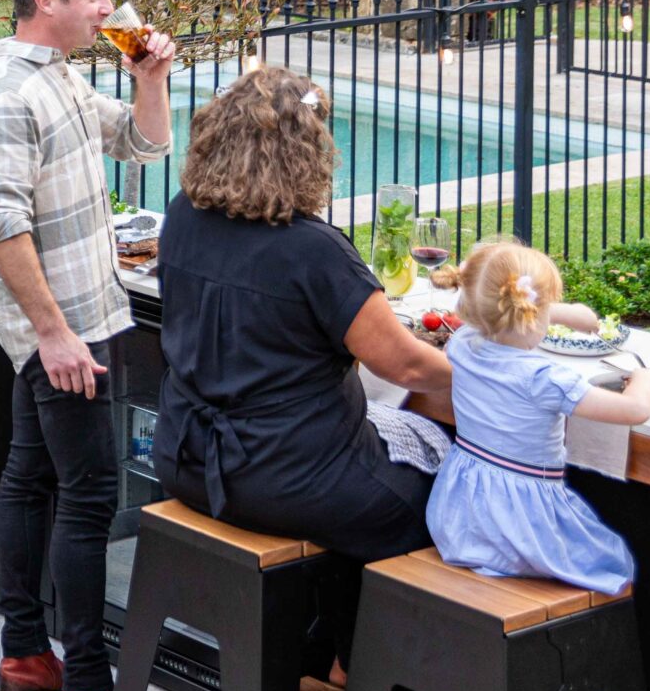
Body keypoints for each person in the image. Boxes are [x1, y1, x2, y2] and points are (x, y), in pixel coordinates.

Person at [0, 0, 186, 691]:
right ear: (46, 1)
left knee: (30, 474)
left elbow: (142, 143)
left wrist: (152, 78)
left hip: (84, 314)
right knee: (90, 498)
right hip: (65, 329)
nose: (109, 8)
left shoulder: (60, 76)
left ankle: (26, 657)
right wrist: (56, 334)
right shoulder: (6, 98)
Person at [154, 68, 452, 565]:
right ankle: (347, 642)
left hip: (185, 459)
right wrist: (484, 368)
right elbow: (406, 367)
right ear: (305, 153)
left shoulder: (182, 214)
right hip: (289, 478)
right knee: (452, 500)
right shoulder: (314, 250)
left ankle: (316, 635)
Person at [427, 241, 650, 592]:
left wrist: (560, 312)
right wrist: (648, 378)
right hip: (520, 533)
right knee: (618, 563)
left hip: (461, 519)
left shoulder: (462, 343)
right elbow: (634, 410)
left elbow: (491, 318)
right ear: (529, 312)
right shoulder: (545, 378)